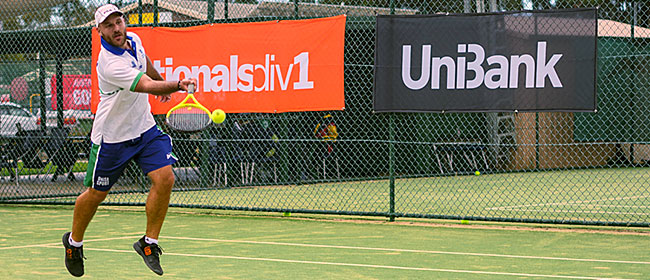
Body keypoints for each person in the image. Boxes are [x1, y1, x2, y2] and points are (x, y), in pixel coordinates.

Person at [62, 4, 196, 277]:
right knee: (96, 195)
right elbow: (143, 84)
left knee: (165, 178)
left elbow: (145, 65)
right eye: (109, 26)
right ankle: (73, 242)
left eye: (119, 22)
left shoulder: (133, 39)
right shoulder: (109, 64)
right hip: (112, 138)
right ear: (99, 30)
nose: (116, 29)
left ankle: (149, 243)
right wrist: (175, 85)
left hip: (144, 129)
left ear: (125, 21)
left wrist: (160, 79)